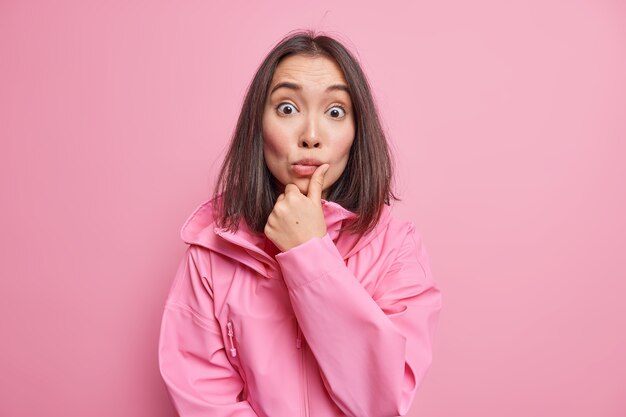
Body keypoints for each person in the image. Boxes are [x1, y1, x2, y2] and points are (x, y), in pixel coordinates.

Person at [158, 29, 443, 417]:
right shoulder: (212, 252)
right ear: (257, 127)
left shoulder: (396, 248)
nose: (310, 136)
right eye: (287, 109)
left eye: (335, 111)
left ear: (358, 133)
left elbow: (380, 403)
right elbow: (204, 398)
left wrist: (308, 252)